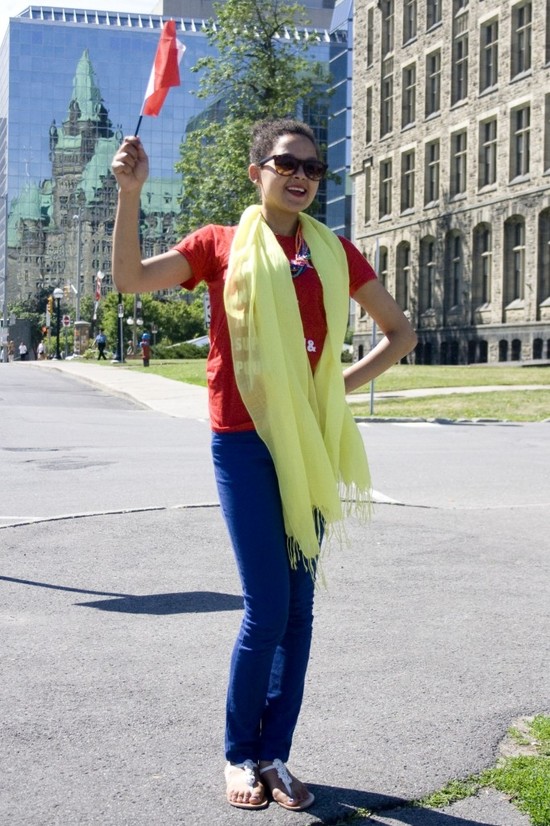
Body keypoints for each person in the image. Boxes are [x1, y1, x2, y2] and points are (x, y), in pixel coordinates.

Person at [111, 119, 416, 812]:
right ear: (258, 173)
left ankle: (274, 754)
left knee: (300, 608)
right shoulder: (220, 245)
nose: (301, 175)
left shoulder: (334, 252)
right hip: (245, 443)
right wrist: (130, 194)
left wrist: (330, 390)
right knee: (268, 607)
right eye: (286, 163)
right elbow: (130, 279)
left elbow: (401, 333)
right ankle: (237, 754)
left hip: (308, 442)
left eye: (313, 167)